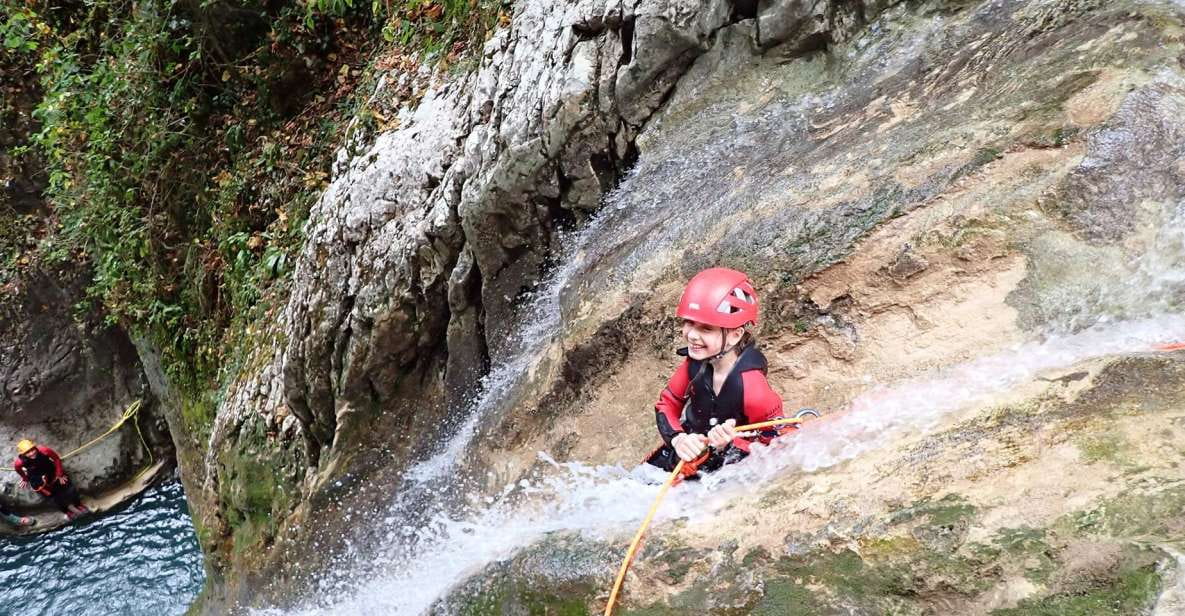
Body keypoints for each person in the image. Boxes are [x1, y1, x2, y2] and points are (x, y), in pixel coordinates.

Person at [645, 268, 788, 477]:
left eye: (706, 328)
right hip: (690, 455)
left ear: (735, 335)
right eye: (689, 323)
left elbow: (779, 444)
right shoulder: (694, 365)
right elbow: (667, 404)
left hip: (732, 468)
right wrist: (678, 439)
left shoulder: (754, 390)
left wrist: (731, 444)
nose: (692, 335)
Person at [13, 439, 89, 520]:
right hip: (37, 479)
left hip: (51, 472)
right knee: (54, 498)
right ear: (23, 454)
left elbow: (56, 459)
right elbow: (18, 469)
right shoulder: (20, 462)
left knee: (70, 489)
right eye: (28, 452)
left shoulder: (44, 451)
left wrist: (59, 474)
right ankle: (66, 511)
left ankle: (78, 504)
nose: (32, 453)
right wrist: (25, 478)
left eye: (32, 450)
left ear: (35, 447)